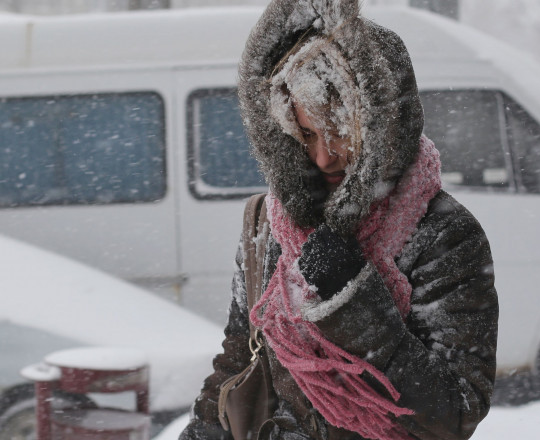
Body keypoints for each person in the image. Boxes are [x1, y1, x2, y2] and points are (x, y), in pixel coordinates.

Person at [180, 1, 499, 439]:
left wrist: (353, 301)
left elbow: (455, 413)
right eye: (308, 133)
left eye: (340, 132)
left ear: (383, 126)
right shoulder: (268, 223)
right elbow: (238, 361)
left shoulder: (444, 234)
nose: (323, 156)